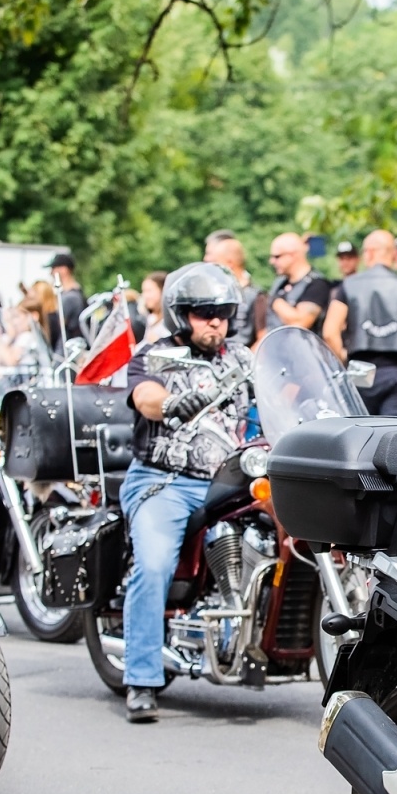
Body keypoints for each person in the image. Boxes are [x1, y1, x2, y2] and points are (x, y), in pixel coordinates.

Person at [119, 261, 254, 723]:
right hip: (166, 483)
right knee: (154, 565)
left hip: (234, 482)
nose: (216, 320)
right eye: (203, 312)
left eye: (223, 311)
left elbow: (278, 392)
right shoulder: (153, 356)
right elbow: (146, 399)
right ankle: (141, 678)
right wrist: (173, 403)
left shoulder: (241, 358)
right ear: (181, 315)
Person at [322, 230, 397, 416]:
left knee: (360, 435)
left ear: (368, 252)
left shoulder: (348, 286)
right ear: (393, 254)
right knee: (391, 437)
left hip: (360, 372)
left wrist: (344, 359)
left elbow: (329, 332)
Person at [265, 234, 330, 336]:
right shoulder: (280, 284)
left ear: (293, 255)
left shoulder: (317, 284)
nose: (272, 261)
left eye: (277, 256)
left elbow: (301, 323)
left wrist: (276, 302)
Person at [205, 235, 263, 348]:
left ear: (229, 263)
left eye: (216, 262)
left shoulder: (256, 296)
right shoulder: (216, 294)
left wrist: (246, 360)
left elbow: (263, 336)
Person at [48, 252, 86, 350]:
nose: (51, 273)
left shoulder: (70, 297)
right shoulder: (74, 294)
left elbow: (56, 326)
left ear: (64, 270)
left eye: (53, 268)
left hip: (67, 349)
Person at [140, 271, 169, 343]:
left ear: (162, 290)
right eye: (143, 291)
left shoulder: (170, 321)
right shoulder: (151, 318)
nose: (145, 296)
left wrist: (158, 341)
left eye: (149, 291)